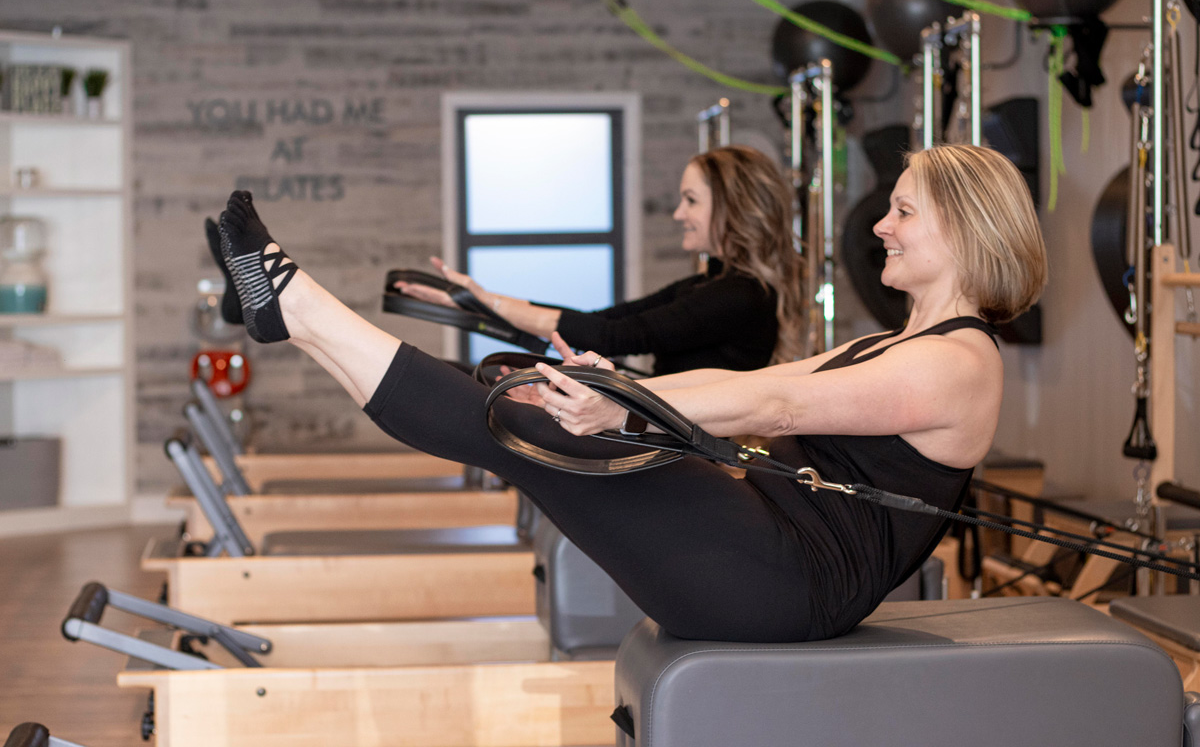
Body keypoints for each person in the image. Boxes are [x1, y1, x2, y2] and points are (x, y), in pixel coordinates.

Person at [209, 142, 1046, 644]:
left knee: (526, 422)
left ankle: (295, 305)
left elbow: (777, 411)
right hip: (766, 547)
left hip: (787, 585)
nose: (879, 227)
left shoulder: (960, 362)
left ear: (964, 229)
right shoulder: (887, 343)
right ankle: (297, 315)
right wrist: (609, 388)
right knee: (521, 399)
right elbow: (747, 384)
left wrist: (625, 406)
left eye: (902, 212)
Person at [392, 144, 805, 373]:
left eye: (691, 200)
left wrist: (483, 302)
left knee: (464, 380)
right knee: (462, 375)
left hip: (681, 460)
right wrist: (472, 301)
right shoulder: (708, 284)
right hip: (664, 443)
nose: (678, 214)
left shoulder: (742, 295)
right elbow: (602, 321)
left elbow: (612, 339)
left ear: (733, 208)